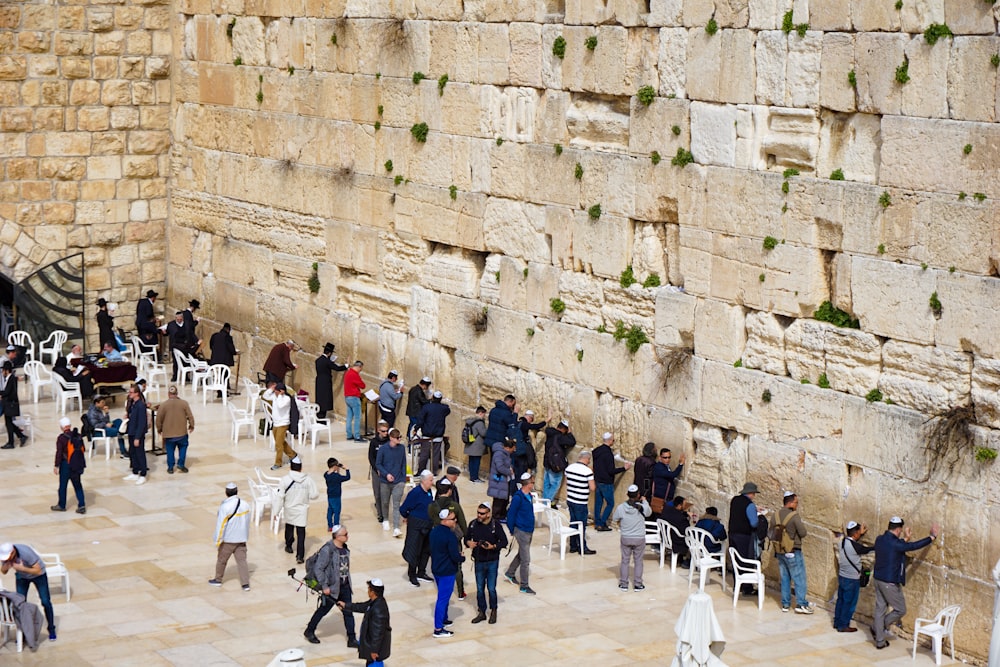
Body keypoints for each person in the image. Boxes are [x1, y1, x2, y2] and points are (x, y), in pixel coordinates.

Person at [871, 516, 939, 649]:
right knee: (900, 609)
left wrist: (906, 538)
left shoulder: (880, 539)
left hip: (878, 578)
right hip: (889, 582)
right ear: (898, 529)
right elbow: (913, 546)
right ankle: (878, 627)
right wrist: (931, 537)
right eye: (901, 530)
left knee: (880, 609)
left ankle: (879, 640)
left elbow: (897, 546)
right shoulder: (896, 544)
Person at [304, 524, 358, 648]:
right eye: (345, 535)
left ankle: (352, 638)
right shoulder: (327, 550)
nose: (347, 536)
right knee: (323, 610)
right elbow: (319, 568)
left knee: (348, 611)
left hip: (345, 586)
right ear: (337, 537)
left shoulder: (345, 548)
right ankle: (309, 630)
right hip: (332, 588)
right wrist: (324, 586)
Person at [0, 542, 56, 641]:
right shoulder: (6, 556)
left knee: (45, 601)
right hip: (22, 577)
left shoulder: (25, 553)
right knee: (20, 604)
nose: (7, 559)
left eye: (8, 558)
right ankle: (23, 632)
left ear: (13, 552)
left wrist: (22, 568)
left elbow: (38, 570)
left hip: (39, 576)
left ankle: (51, 628)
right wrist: (6, 566)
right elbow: (3, 571)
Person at [464, 502, 508, 624]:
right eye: (478, 513)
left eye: (482, 513)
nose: (479, 515)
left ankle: (493, 611)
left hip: (492, 560)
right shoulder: (473, 524)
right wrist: (469, 543)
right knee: (479, 588)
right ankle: (481, 611)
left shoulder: (495, 526)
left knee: (491, 588)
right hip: (479, 560)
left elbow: (504, 541)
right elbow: (466, 538)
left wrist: (493, 546)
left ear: (488, 514)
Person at [429, 478, 467, 600]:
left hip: (438, 537)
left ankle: (442, 587)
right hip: (453, 538)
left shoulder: (431, 507)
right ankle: (461, 592)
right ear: (450, 491)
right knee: (457, 565)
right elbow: (463, 524)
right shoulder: (455, 506)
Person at [338, 578, 391, 666]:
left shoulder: (378, 610)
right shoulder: (375, 602)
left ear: (373, 592)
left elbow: (378, 634)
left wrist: (374, 650)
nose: (368, 591)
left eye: (369, 589)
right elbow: (362, 607)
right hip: (373, 649)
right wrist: (345, 605)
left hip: (376, 652)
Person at [208, 482, 251, 591]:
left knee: (222, 560)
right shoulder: (245, 504)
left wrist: (218, 540)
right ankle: (245, 584)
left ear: (226, 493)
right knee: (242, 562)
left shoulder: (225, 507)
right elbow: (247, 521)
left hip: (229, 540)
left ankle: (218, 579)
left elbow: (221, 525)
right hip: (241, 539)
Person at [775, 492, 813, 614]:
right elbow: (803, 533)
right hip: (793, 551)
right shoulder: (794, 516)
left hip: (779, 551)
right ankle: (801, 604)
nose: (797, 505)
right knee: (799, 578)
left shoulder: (775, 515)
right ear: (790, 503)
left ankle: (785, 604)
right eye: (796, 502)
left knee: (785, 578)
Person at [429, 508, 464, 638]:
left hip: (437, 569)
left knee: (443, 596)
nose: (455, 521)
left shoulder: (434, 532)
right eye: (453, 519)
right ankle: (438, 628)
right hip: (447, 571)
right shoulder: (450, 536)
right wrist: (462, 558)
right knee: (443, 599)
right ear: (445, 520)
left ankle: (444, 618)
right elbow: (455, 556)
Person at [834, 520, 874, 633]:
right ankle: (843, 625)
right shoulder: (855, 546)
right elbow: (866, 550)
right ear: (855, 533)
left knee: (841, 600)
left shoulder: (842, 542)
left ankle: (837, 622)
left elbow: (853, 545)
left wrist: (859, 534)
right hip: (851, 579)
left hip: (842, 576)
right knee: (849, 603)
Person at [279, 456, 319, 564]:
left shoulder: (285, 479)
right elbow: (315, 495)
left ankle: (288, 545)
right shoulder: (308, 480)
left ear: (291, 468)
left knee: (289, 528)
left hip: (289, 508)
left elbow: (280, 496)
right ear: (301, 468)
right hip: (302, 510)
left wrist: (276, 511)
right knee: (301, 533)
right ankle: (300, 556)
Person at [399, 471, 435, 587]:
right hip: (416, 527)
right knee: (414, 550)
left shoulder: (429, 492)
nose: (432, 482)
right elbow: (404, 509)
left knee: (426, 550)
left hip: (428, 526)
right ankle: (412, 575)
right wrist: (407, 517)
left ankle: (421, 572)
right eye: (430, 480)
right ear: (423, 481)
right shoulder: (415, 493)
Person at [613, 484, 650, 591]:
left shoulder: (621, 507)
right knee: (638, 561)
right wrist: (645, 501)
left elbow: (615, 518)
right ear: (638, 495)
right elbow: (648, 513)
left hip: (626, 537)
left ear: (627, 495)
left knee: (625, 561)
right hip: (639, 538)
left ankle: (623, 584)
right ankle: (638, 584)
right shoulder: (642, 507)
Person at [503, 473, 536, 595]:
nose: (534, 484)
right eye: (532, 482)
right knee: (526, 560)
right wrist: (513, 530)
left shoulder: (529, 496)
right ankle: (524, 585)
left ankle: (510, 573)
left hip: (529, 529)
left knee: (521, 554)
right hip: (521, 530)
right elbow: (510, 515)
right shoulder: (518, 498)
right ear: (528, 484)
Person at [728, 481, 763, 594]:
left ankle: (737, 585)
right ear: (751, 493)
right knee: (746, 561)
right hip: (743, 536)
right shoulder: (750, 505)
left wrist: (754, 509)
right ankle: (747, 588)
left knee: (736, 560)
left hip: (732, 533)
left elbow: (740, 511)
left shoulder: (735, 500)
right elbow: (753, 523)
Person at [592, 432, 631, 531]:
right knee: (610, 503)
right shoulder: (608, 454)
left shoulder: (596, 451)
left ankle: (597, 521)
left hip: (597, 480)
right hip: (606, 482)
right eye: (613, 440)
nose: (613, 441)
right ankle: (602, 523)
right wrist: (623, 468)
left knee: (598, 502)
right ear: (610, 441)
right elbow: (611, 471)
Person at [51, 416, 86, 514]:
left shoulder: (61, 438)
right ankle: (82, 505)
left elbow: (59, 452)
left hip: (66, 464)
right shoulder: (78, 436)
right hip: (76, 464)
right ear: (69, 426)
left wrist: (56, 465)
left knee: (63, 486)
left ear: (62, 427)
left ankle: (62, 505)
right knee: (78, 485)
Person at [156, 385, 195, 474]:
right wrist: (191, 426)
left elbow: (158, 419)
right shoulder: (184, 403)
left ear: (168, 394)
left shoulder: (163, 405)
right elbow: (190, 416)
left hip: (169, 434)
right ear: (177, 394)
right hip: (181, 433)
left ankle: (170, 467)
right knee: (183, 448)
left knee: (170, 450)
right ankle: (181, 464)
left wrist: (159, 429)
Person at [564, 450, 596, 555]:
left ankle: (573, 546)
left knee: (573, 521)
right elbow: (592, 488)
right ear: (586, 459)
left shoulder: (569, 468)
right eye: (589, 460)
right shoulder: (587, 471)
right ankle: (583, 547)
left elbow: (566, 483)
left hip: (570, 499)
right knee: (581, 524)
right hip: (580, 502)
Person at [375, 428, 406, 535]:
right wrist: (386, 474)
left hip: (398, 481)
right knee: (385, 502)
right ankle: (386, 519)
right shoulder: (383, 449)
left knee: (396, 504)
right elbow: (378, 464)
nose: (399, 439)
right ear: (391, 438)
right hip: (385, 481)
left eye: (400, 437)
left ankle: (397, 527)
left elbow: (403, 463)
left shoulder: (401, 448)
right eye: (397, 438)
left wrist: (403, 479)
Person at [263, 380, 298, 470]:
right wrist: (271, 389)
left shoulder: (286, 399)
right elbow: (265, 396)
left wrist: (280, 396)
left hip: (283, 424)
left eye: (276, 391)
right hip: (276, 423)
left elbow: (280, 406)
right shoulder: (275, 396)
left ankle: (278, 463)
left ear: (281, 391)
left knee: (278, 444)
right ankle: (292, 455)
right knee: (281, 442)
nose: (275, 393)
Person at [541, 419, 576, 506]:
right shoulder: (559, 437)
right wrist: (570, 433)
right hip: (555, 465)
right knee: (555, 484)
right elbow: (572, 442)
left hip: (547, 463)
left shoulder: (549, 433)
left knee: (546, 484)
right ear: (564, 429)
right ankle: (547, 502)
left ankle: (544, 501)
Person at [415, 390, 450, 473]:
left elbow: (420, 420)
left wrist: (416, 428)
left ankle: (421, 471)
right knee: (435, 454)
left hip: (427, 434)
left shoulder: (426, 407)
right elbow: (447, 409)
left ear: (433, 398)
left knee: (424, 454)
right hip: (438, 435)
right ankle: (434, 471)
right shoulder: (443, 409)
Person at [123, 383, 149, 484]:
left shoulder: (141, 406)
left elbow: (142, 423)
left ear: (137, 393)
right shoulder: (132, 404)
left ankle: (143, 473)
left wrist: (137, 437)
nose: (129, 394)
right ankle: (135, 471)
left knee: (140, 453)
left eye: (131, 392)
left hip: (137, 433)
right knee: (132, 452)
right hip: (131, 431)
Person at [660, 496, 694, 568]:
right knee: (691, 538)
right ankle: (687, 560)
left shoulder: (666, 510)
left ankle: (680, 559)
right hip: (675, 541)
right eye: (684, 505)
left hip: (665, 536)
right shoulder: (681, 519)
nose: (685, 507)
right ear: (679, 505)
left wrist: (686, 513)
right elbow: (686, 531)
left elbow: (677, 512)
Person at [315, 342, 346, 420]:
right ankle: (322, 418)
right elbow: (337, 368)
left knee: (320, 398)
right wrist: (346, 366)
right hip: (326, 382)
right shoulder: (327, 361)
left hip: (319, 381)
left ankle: (319, 416)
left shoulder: (318, 360)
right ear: (329, 353)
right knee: (325, 399)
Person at [0, 360, 27, 449]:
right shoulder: (11, 378)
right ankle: (21, 436)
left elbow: (7, 392)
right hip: (8, 403)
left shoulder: (11, 378)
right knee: (9, 423)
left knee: (9, 423)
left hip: (10, 404)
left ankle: (11, 442)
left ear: (6, 370)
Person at [487, 438, 516, 521]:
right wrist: (509, 472)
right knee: (498, 500)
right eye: (513, 449)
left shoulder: (505, 454)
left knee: (504, 499)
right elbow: (500, 467)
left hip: (504, 481)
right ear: (508, 448)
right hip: (498, 481)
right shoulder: (499, 454)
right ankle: (496, 517)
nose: (513, 451)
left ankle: (502, 515)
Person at [651, 447, 686, 513]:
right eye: (665, 457)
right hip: (661, 497)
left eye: (669, 457)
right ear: (660, 457)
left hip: (666, 497)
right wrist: (681, 464)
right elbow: (672, 475)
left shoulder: (665, 466)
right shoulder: (659, 467)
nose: (667, 459)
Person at [368, 421, 389, 523]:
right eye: (383, 431)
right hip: (377, 471)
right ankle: (380, 514)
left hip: (387, 471)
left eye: (386, 431)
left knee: (386, 494)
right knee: (377, 494)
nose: (385, 433)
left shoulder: (389, 441)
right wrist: (377, 469)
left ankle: (385, 513)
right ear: (378, 431)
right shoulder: (374, 442)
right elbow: (371, 457)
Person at [208, 323, 238, 395]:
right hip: (225, 360)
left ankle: (224, 388)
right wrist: (234, 352)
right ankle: (222, 391)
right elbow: (231, 349)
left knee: (219, 374)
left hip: (215, 359)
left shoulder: (214, 335)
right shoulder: (228, 337)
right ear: (228, 330)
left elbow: (211, 346)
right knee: (224, 374)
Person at [324, 457, 351, 531]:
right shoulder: (336, 476)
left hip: (330, 496)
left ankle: (330, 526)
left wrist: (337, 471)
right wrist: (346, 469)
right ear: (335, 466)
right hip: (336, 496)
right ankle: (336, 526)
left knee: (330, 511)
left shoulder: (326, 474)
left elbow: (332, 475)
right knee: (336, 512)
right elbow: (348, 477)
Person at [463, 406, 488, 483]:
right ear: (480, 413)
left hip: (470, 444)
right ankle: (475, 477)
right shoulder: (479, 422)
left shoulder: (470, 421)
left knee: (471, 461)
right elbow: (483, 433)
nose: (484, 416)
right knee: (476, 462)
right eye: (484, 414)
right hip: (477, 446)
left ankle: (472, 476)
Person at [344, 361, 366, 442]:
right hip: (354, 397)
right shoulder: (354, 374)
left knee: (349, 417)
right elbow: (363, 385)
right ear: (359, 367)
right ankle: (357, 436)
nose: (361, 370)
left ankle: (349, 435)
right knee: (357, 417)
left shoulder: (348, 372)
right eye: (361, 368)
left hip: (347, 397)